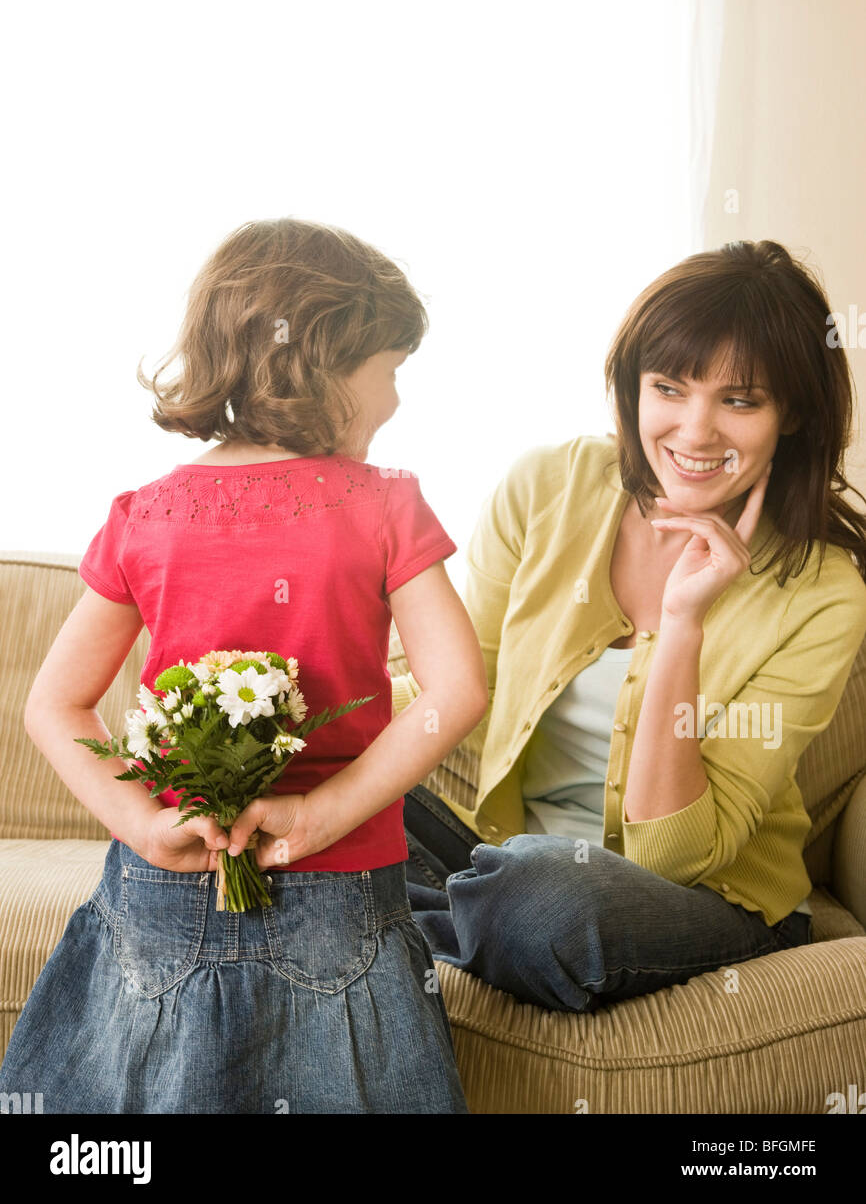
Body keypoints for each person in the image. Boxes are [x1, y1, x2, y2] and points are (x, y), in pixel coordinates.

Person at [0, 217, 488, 1113]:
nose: (395, 400)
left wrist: (143, 823)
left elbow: (55, 706)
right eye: (391, 370)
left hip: (163, 877)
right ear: (327, 363)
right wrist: (320, 811)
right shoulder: (385, 507)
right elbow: (456, 691)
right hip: (341, 893)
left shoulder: (144, 515)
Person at [399, 239, 866, 1014]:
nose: (695, 430)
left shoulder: (823, 591)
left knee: (541, 900)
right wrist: (297, 738)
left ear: (793, 416)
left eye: (740, 400)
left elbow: (671, 852)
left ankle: (406, 923)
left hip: (694, 900)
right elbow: (454, 692)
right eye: (670, 388)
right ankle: (443, 920)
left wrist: (683, 625)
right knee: (330, 812)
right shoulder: (549, 483)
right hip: (500, 858)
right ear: (633, 388)